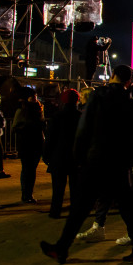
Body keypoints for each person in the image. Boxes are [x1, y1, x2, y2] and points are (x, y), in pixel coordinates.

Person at [41, 64, 133, 265]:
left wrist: (79, 156)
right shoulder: (131, 104)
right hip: (119, 163)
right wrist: (130, 161)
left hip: (96, 159)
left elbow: (84, 128)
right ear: (129, 81)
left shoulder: (99, 97)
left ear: (113, 75)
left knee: (80, 207)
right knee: (128, 207)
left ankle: (62, 248)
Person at [44, 89, 81, 219]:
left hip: (58, 156)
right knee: (75, 188)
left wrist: (46, 155)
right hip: (76, 157)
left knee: (58, 188)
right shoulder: (80, 116)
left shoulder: (57, 116)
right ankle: (75, 212)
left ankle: (55, 211)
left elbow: (50, 137)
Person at [12, 87, 46, 203]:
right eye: (33, 96)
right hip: (26, 143)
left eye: (36, 96)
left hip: (37, 142)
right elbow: (16, 127)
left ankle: (29, 193)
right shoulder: (22, 110)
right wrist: (29, 127)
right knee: (27, 169)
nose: (35, 98)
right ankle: (26, 194)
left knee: (32, 169)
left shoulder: (39, 108)